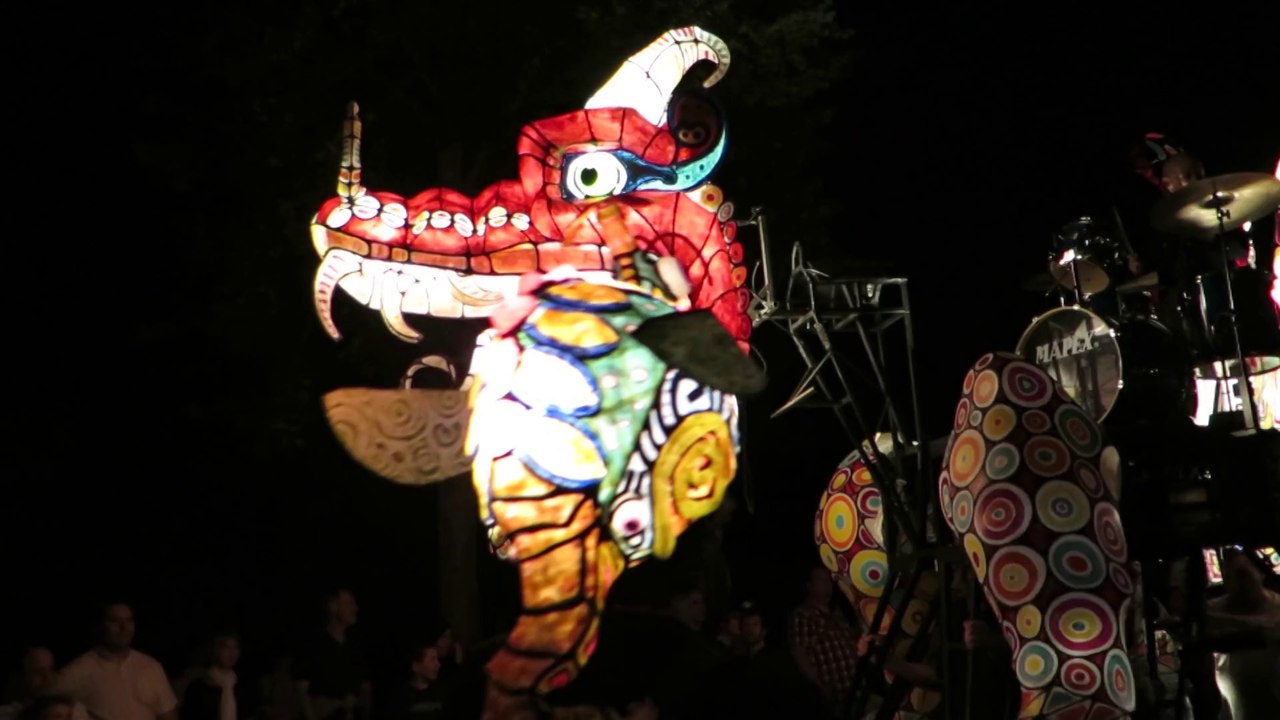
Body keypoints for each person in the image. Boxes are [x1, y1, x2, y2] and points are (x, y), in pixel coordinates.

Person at [51, 602, 179, 720]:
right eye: (115, 621)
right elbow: (43, 700)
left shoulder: (151, 667)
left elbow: (169, 715)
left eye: (129, 621)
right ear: (100, 626)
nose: (124, 628)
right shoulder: (80, 669)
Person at [180, 631, 248, 720]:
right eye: (226, 647)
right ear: (215, 650)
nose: (232, 653)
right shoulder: (199, 686)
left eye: (236, 647)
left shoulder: (242, 685)